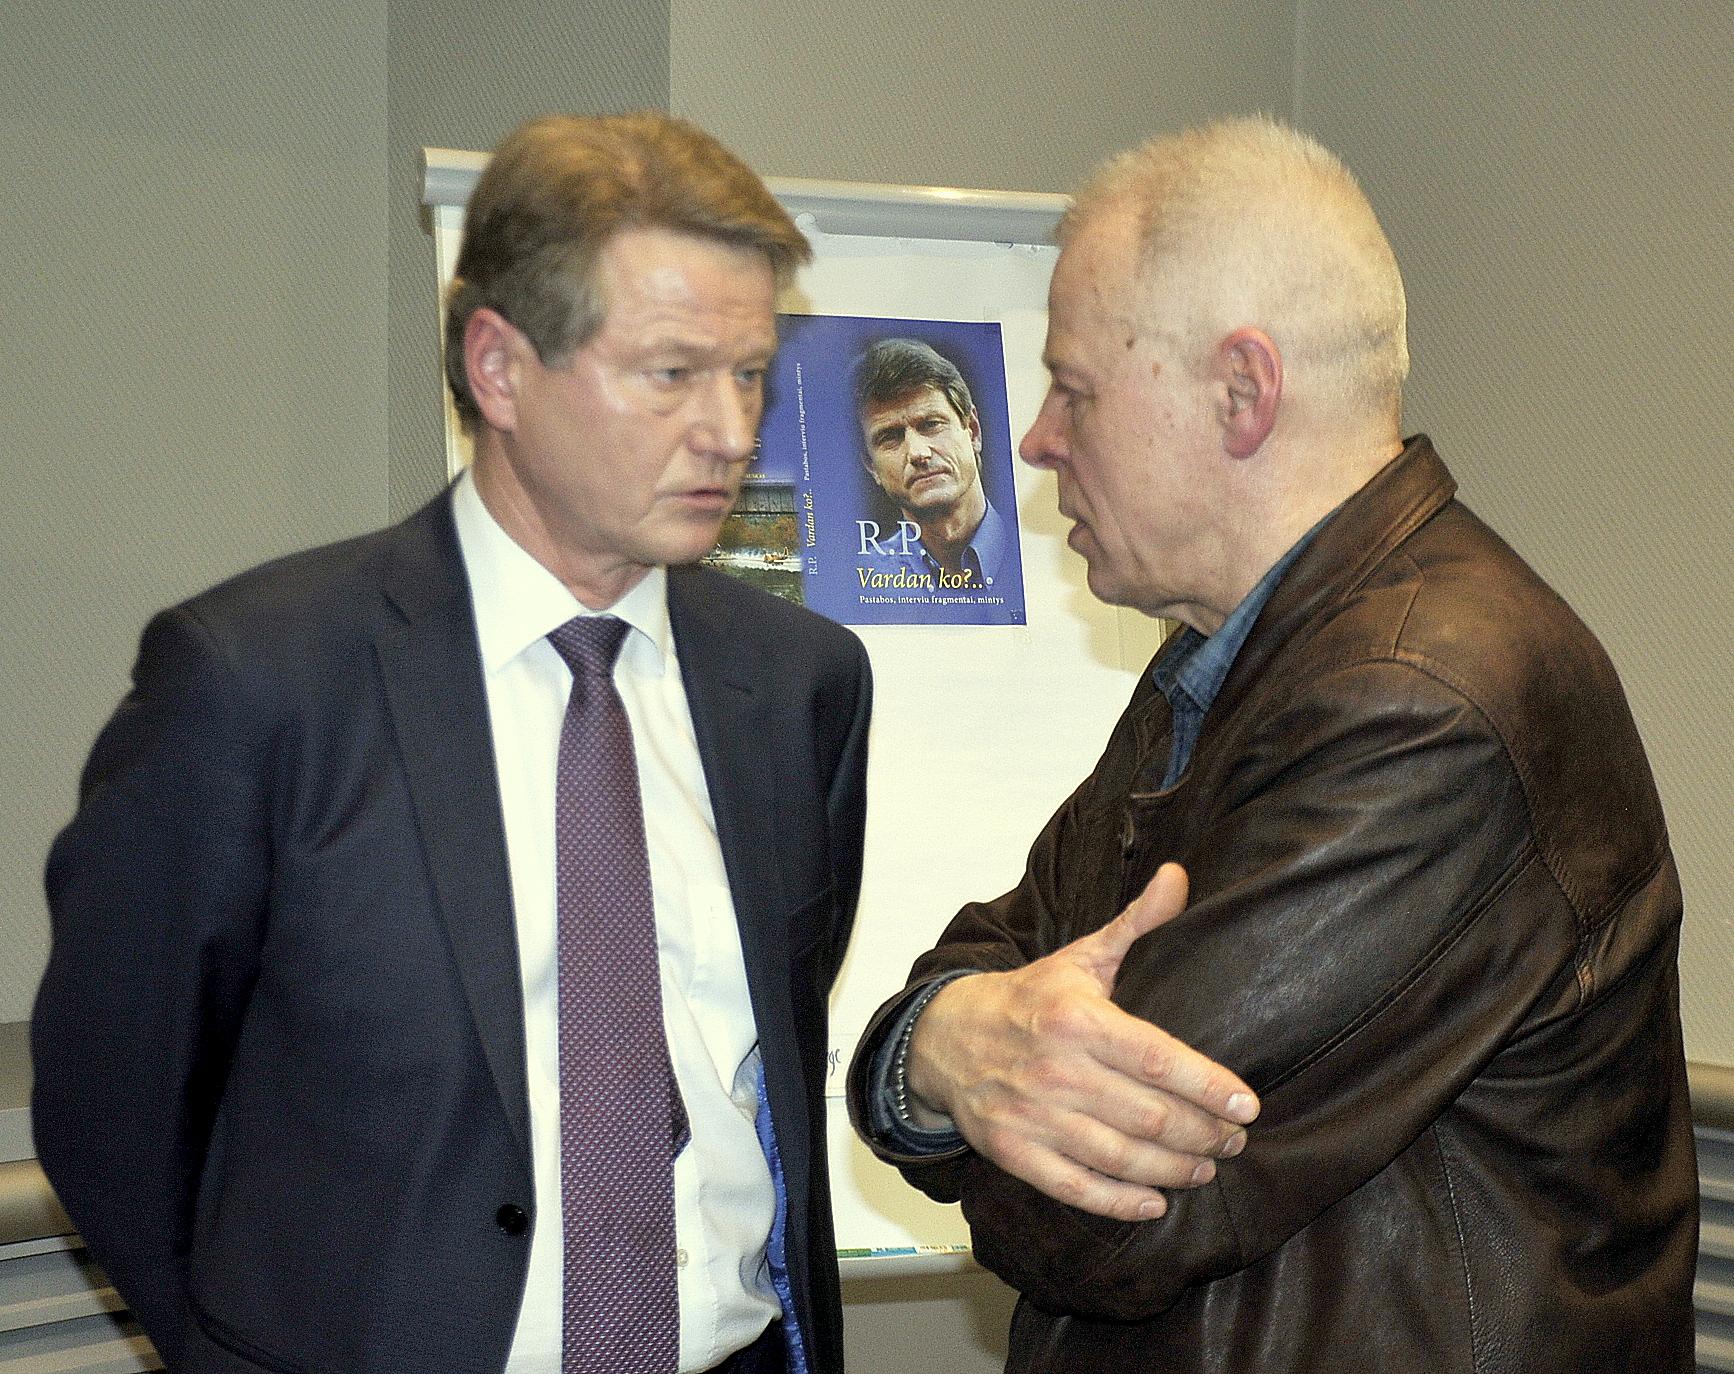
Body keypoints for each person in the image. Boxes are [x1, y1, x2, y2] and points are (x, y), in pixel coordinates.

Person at [847, 116, 1697, 1371]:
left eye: (1076, 389)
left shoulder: (1426, 701)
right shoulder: (1231, 659)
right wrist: (948, 1039)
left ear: (1242, 393)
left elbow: (1096, 1219)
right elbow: (1000, 949)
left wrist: (954, 1069)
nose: (1035, 440)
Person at [32, 112, 872, 1374]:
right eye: (672, 373)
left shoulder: (799, 683)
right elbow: (115, 1105)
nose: (729, 429)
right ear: (498, 367)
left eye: (750, 373)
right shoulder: (259, 683)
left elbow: (772, 1049)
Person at [853, 337, 1013, 591]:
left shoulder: (1032, 549)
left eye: (931, 424)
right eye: (890, 437)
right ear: (871, 466)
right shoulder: (858, 583)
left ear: (972, 431)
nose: (918, 453)